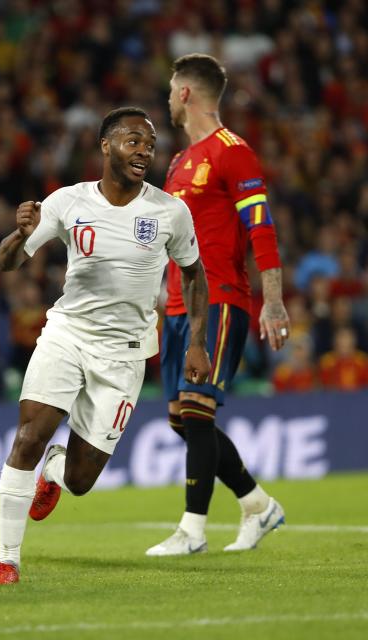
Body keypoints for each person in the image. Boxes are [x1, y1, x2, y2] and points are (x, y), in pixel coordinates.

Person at [0, 107, 210, 584]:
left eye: (150, 145)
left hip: (126, 353)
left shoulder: (170, 212)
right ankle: (7, 560)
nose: (144, 151)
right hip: (67, 334)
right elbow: (7, 263)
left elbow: (193, 275)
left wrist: (195, 342)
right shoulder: (68, 201)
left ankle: (56, 470)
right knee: (27, 437)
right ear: (106, 146)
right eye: (134, 141)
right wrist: (18, 233)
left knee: (81, 482)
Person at [146, 54, 290, 557]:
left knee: (197, 409)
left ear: (185, 93)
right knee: (181, 418)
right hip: (178, 309)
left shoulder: (234, 153)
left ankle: (192, 529)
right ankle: (257, 504)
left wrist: (272, 301)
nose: (167, 99)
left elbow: (262, 227)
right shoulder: (179, 162)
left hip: (222, 299)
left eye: (170, 90)